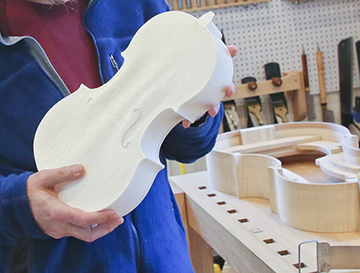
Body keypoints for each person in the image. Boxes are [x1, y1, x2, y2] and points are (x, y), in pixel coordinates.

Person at [0, 0, 237, 272]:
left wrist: (198, 108)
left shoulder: (138, 4)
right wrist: (20, 205)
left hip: (166, 258)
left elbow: (186, 146)